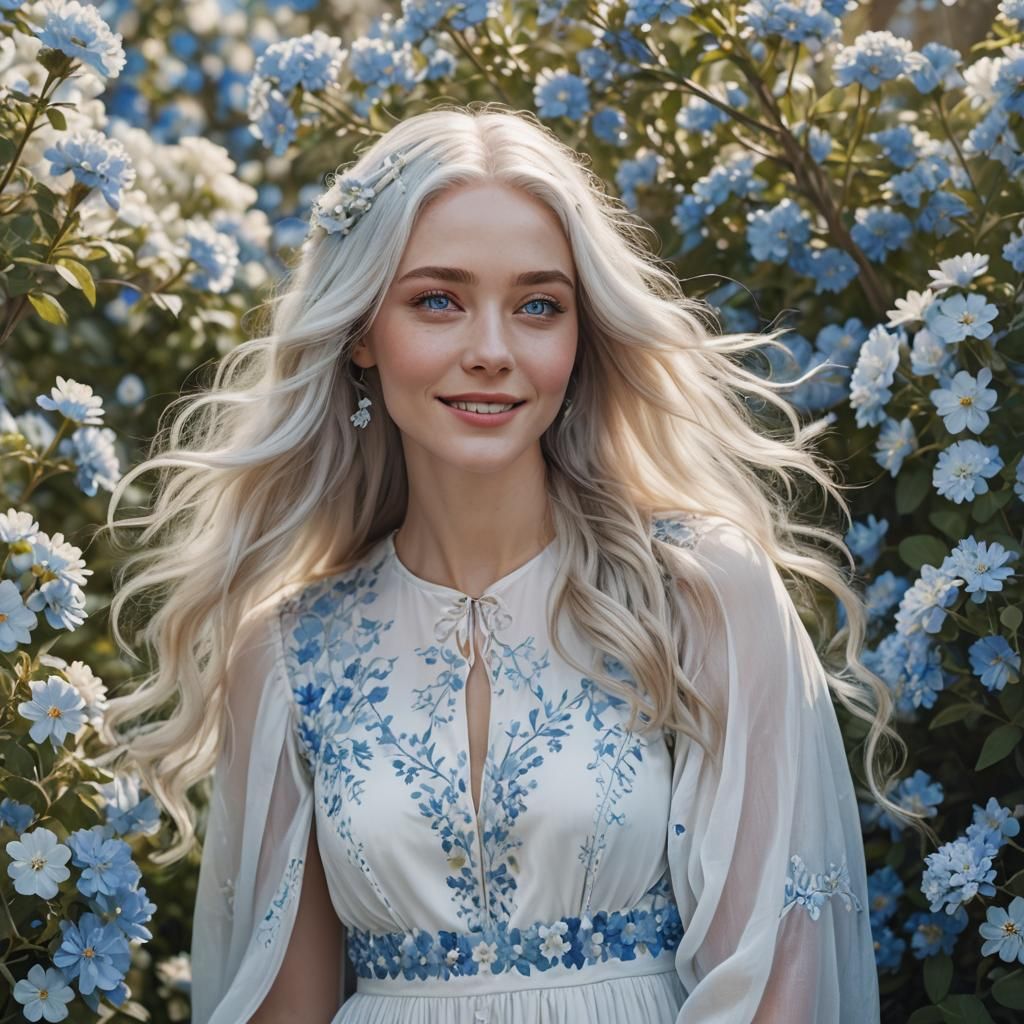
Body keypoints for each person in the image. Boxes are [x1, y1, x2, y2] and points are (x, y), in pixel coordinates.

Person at [102, 103, 933, 1024]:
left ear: (581, 339)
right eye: (437, 301)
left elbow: (780, 978)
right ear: (361, 334)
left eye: (539, 306)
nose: (492, 351)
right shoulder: (291, 650)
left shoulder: (698, 593)